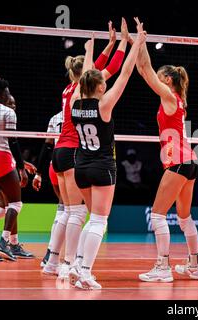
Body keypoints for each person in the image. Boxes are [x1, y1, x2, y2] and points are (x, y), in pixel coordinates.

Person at [43, 20, 128, 278]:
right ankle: (69, 264)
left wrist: (110, 43)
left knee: (67, 211)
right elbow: (113, 69)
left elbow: (98, 67)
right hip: (73, 152)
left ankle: (52, 261)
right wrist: (123, 43)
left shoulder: (71, 89)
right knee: (79, 214)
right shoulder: (85, 90)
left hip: (59, 152)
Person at [67, 19, 146, 290]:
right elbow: (124, 73)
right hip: (101, 167)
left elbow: (87, 73)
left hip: (81, 166)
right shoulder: (104, 105)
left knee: (93, 218)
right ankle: (85, 272)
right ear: (100, 87)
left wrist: (90, 49)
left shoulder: (75, 101)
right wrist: (136, 41)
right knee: (100, 220)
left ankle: (78, 264)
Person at [135, 27, 198, 283]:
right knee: (184, 218)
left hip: (177, 161)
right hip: (189, 162)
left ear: (168, 80)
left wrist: (142, 42)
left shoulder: (169, 95)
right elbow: (144, 70)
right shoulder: (175, 98)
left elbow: (147, 71)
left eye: (160, 77)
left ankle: (163, 268)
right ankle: (195, 266)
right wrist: (139, 43)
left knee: (158, 214)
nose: (156, 78)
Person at [0, 79, 28, 261]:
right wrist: (21, 168)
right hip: (2, 157)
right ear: (3, 94)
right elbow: (13, 141)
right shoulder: (8, 112)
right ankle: (4, 243)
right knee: (16, 204)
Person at [32, 111, 64, 267]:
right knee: (69, 212)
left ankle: (51, 255)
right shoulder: (82, 113)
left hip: (54, 165)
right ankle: (52, 255)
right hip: (71, 166)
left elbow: (47, 145)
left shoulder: (55, 117)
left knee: (62, 209)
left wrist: (38, 173)